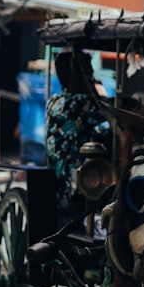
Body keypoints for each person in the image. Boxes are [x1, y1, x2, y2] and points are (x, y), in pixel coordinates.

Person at [45, 50, 110, 217]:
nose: (91, 78)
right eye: (89, 74)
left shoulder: (54, 101)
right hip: (77, 188)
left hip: (56, 187)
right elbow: (119, 109)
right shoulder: (80, 104)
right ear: (79, 75)